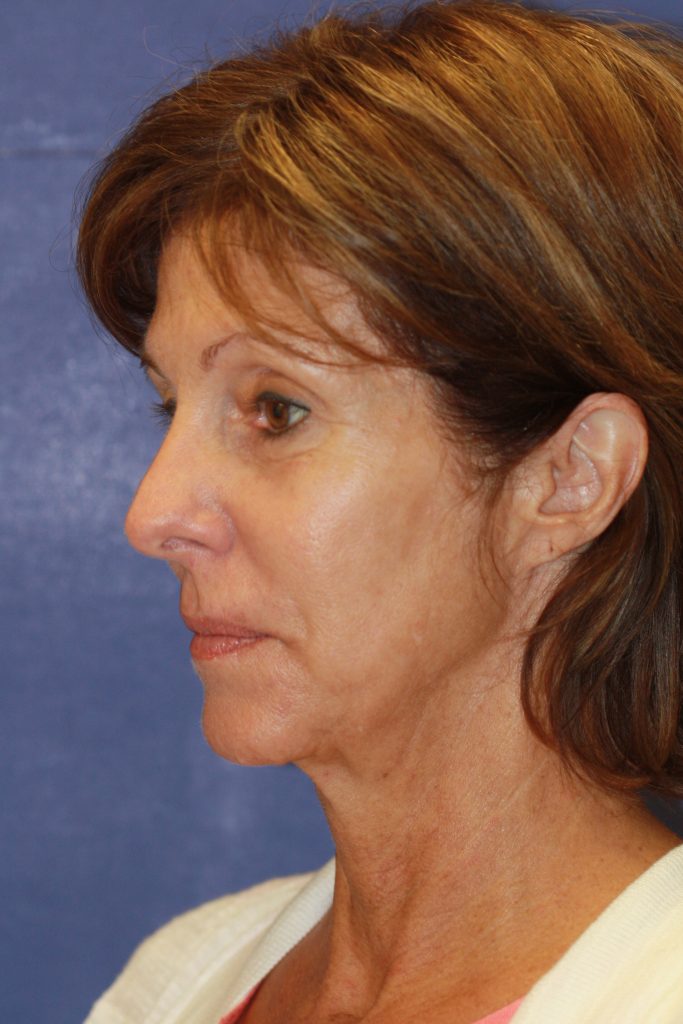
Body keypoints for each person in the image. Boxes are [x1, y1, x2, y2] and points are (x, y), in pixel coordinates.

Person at [78, 0, 683, 1021]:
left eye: (276, 409)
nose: (154, 514)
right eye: (169, 406)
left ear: (569, 478)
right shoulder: (180, 983)